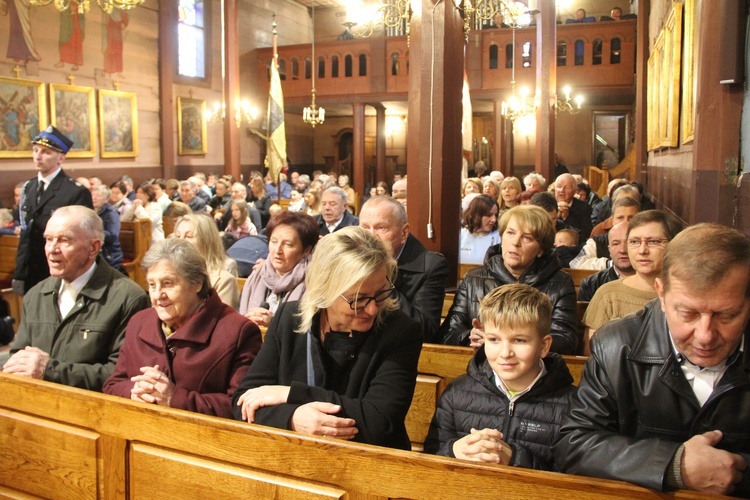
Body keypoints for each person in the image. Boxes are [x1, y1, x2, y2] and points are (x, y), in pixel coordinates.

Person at [555, 224, 750, 496]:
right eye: (687, 313)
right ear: (661, 293)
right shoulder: (617, 346)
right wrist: (674, 466)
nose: (705, 336)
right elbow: (574, 445)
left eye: (726, 315)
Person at [231, 227, 423, 450]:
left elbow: (379, 422)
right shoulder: (289, 317)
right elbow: (243, 403)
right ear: (325, 292)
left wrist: (291, 394)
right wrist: (293, 418)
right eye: (358, 300)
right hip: (296, 459)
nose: (372, 309)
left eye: (380, 293)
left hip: (371, 465)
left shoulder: (401, 331)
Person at [102, 239, 262, 418]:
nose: (157, 296)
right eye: (152, 285)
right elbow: (112, 384)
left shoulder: (238, 332)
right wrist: (135, 390)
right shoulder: (138, 322)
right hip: (137, 434)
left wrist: (174, 398)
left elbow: (240, 406)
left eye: (168, 283)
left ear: (197, 283)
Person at [424, 284, 574, 470]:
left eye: (519, 340)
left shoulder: (573, 405)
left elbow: (573, 479)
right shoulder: (457, 392)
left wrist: (515, 458)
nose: (505, 353)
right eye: (494, 339)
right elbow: (430, 459)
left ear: (544, 346)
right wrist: (453, 451)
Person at [3, 206, 150, 390]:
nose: (52, 249)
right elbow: (18, 356)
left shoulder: (129, 298)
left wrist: (50, 371)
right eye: (48, 240)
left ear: (93, 247)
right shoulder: (36, 294)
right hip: (37, 406)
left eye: (64, 240)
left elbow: (125, 375)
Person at [442, 205, 578, 355]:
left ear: (541, 249)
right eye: (511, 233)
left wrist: (514, 343)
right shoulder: (473, 278)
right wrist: (469, 337)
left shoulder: (560, 282)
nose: (515, 242)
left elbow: (566, 341)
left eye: (527, 238)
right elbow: (448, 334)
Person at [582, 210, 684, 353]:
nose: (642, 250)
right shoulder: (608, 295)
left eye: (653, 241)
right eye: (635, 242)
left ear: (673, 245)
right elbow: (593, 358)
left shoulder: (686, 295)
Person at [13, 125, 93, 295]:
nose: (38, 156)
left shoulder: (75, 191)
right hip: (31, 271)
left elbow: (83, 239)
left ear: (61, 158)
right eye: (35, 150)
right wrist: (19, 272)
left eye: (46, 152)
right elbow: (26, 235)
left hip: (60, 270)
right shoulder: (29, 187)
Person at [359, 196, 449, 343]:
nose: (371, 236)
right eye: (365, 228)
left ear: (404, 233)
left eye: (381, 228)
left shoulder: (431, 266)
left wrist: (381, 278)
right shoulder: (350, 260)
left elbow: (423, 330)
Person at [239, 211, 318, 327]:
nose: (277, 250)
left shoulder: (314, 282)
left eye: (288, 244)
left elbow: (310, 332)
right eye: (274, 241)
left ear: (306, 250)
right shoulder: (257, 274)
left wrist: (274, 324)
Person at [174, 213, 239, 309]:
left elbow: (220, 320)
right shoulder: (170, 272)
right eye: (178, 236)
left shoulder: (224, 278)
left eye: (189, 236)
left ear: (206, 240)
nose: (180, 242)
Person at [571, 195, 641, 269]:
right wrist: (610, 264)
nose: (625, 222)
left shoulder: (646, 241)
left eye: (631, 217)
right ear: (612, 220)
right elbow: (576, 264)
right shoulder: (596, 242)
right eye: (620, 218)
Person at [577, 221, 634, 301]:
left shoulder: (653, 282)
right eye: (616, 244)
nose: (622, 250)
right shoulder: (590, 284)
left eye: (629, 243)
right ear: (609, 250)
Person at [459, 194, 500, 265]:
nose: (494, 219)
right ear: (475, 215)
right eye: (488, 215)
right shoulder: (460, 235)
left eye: (495, 215)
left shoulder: (499, 237)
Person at [91, 184, 123, 271]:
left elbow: (113, 236)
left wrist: (93, 232)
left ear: (106, 199)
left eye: (98, 195)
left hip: (109, 254)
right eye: (93, 195)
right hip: (95, 253)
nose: (94, 198)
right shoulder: (90, 212)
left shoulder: (111, 214)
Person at [554, 173, 592, 240]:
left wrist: (567, 218)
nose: (562, 190)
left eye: (567, 187)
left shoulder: (584, 208)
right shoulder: (548, 203)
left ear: (574, 191)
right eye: (559, 186)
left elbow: (584, 235)